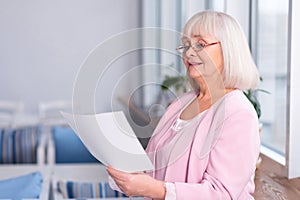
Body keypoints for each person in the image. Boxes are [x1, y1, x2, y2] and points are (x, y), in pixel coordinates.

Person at [107, 10, 261, 200]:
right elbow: (154, 167)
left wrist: (155, 190)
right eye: (186, 45)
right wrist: (127, 173)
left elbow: (221, 194)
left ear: (229, 49)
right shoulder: (181, 103)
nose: (189, 53)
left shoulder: (239, 113)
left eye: (200, 44)